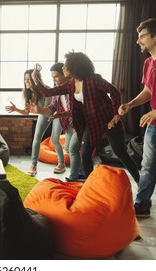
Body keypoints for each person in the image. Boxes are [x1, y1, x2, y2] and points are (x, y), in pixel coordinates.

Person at [31, 52, 140, 184]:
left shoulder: (94, 80)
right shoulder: (70, 85)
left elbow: (114, 92)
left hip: (109, 121)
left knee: (121, 153)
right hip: (92, 123)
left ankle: (140, 183)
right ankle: (90, 186)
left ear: (75, 66)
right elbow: (47, 92)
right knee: (85, 153)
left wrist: (116, 115)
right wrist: (34, 77)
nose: (64, 68)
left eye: (66, 65)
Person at [119, 18, 156, 217]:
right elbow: (149, 91)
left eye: (142, 36)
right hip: (154, 125)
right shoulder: (148, 63)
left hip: (154, 117)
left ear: (154, 36)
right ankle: (142, 206)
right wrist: (130, 104)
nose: (138, 41)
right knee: (147, 165)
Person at [29, 63, 86, 181]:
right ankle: (80, 173)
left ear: (65, 75)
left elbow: (76, 110)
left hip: (80, 123)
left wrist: (35, 77)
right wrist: (39, 110)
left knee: (73, 148)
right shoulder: (58, 90)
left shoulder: (72, 87)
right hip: (70, 123)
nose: (53, 79)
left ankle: (76, 175)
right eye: (52, 77)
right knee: (70, 149)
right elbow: (52, 107)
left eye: (56, 76)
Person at [5, 69, 52, 176]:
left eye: (29, 79)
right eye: (25, 79)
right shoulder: (28, 92)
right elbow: (27, 112)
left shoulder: (46, 90)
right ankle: (33, 165)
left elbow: (49, 109)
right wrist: (15, 109)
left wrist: (38, 110)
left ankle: (61, 163)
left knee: (55, 139)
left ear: (36, 80)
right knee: (36, 138)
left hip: (55, 114)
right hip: (43, 114)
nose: (27, 82)